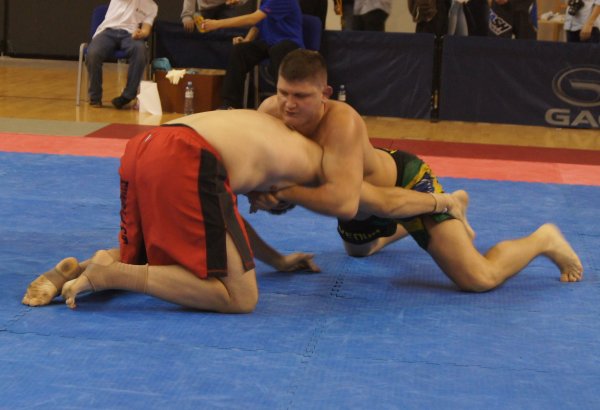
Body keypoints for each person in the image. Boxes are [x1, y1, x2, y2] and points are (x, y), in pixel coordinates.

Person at [22, 109, 468, 311]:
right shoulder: (321, 168)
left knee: (150, 251)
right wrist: (444, 201)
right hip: (187, 156)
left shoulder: (267, 126)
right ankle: (111, 274)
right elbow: (380, 202)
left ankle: (78, 269)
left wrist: (277, 260)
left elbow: (226, 222)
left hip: (145, 144)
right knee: (239, 296)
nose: (264, 204)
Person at [255, 49, 583, 291]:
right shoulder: (270, 112)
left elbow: (345, 203)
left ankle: (542, 239)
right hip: (363, 202)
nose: (289, 104)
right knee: (358, 251)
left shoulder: (342, 121)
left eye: (301, 96)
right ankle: (432, 214)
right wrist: (264, 195)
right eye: (283, 92)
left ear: (325, 94)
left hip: (404, 185)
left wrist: (284, 193)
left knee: (478, 279)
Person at [202, 0, 304, 109]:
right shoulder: (265, 2)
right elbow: (257, 25)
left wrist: (216, 24)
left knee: (277, 50)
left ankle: (282, 101)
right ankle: (230, 103)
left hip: (289, 43)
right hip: (269, 43)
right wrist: (246, 40)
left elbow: (253, 19)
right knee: (240, 50)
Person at [86, 0, 158, 109]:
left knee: (140, 50)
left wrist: (141, 33)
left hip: (130, 34)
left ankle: (127, 96)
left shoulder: (152, 6)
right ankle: (95, 97)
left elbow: (146, 28)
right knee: (93, 53)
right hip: (108, 31)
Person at [180, 0, 250, 33]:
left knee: (225, 35)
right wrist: (187, 16)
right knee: (202, 34)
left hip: (226, 7)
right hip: (205, 9)